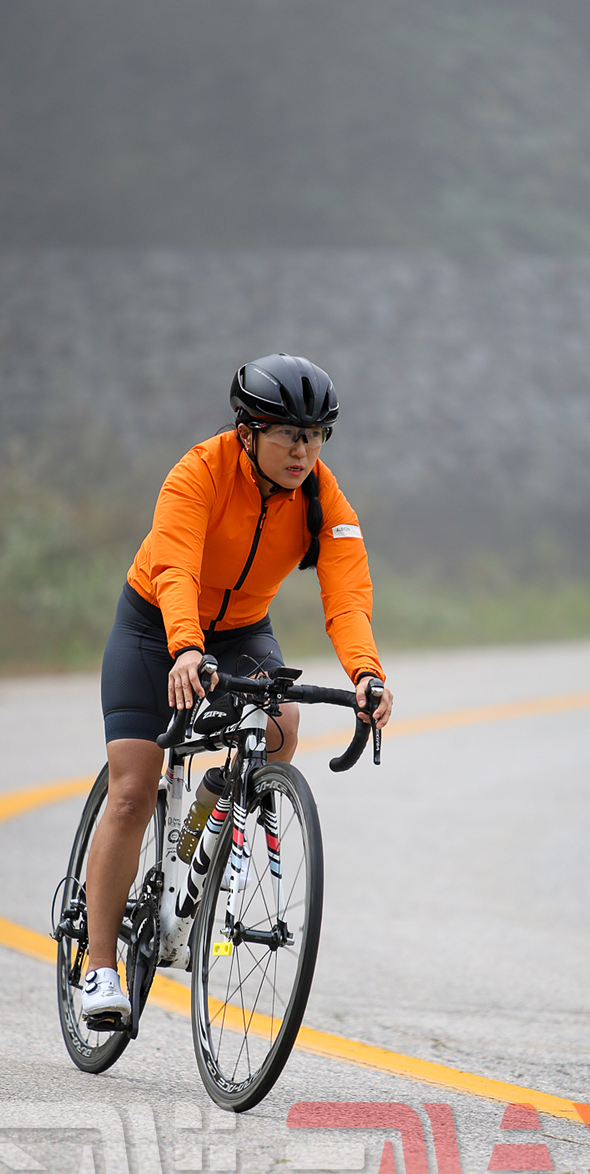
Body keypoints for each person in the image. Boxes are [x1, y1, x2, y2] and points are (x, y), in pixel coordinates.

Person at [81, 353, 395, 1020]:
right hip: (155, 626)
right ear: (248, 433)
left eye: (316, 436)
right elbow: (175, 568)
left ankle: (218, 816)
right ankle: (99, 967)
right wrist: (185, 647)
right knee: (133, 790)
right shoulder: (198, 473)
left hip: (243, 630)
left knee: (280, 724)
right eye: (289, 435)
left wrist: (367, 674)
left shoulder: (324, 500)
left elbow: (347, 596)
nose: (303, 451)